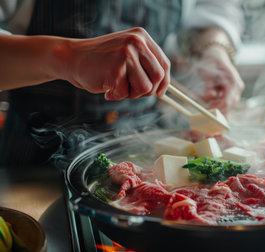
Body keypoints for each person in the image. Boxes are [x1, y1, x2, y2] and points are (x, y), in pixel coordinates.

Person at [0, 0, 245, 167]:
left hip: (146, 146)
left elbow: (213, 6)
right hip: (34, 155)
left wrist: (215, 49)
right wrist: (68, 56)